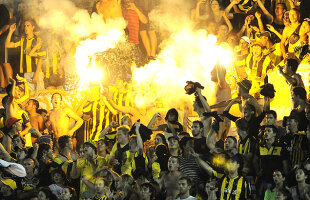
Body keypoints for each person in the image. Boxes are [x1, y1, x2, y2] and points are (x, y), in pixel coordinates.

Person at [5, 19, 44, 92]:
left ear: (33, 27)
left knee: (40, 96)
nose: (26, 27)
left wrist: (36, 76)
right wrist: (10, 31)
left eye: (28, 26)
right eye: (25, 26)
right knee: (29, 96)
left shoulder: (38, 40)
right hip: (26, 74)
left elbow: (40, 59)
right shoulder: (22, 40)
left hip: (36, 73)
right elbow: (7, 45)